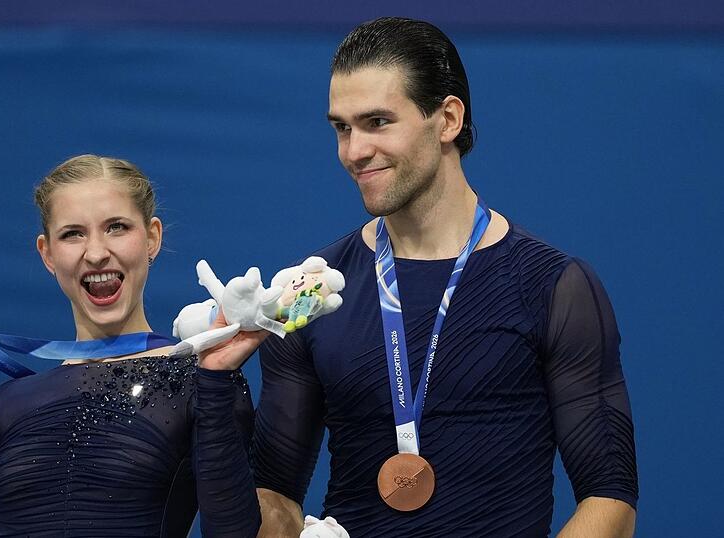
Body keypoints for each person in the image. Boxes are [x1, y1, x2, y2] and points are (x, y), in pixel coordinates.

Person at [253, 17, 638, 537]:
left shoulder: (553, 286)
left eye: (377, 122)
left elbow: (609, 498)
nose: (353, 151)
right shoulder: (312, 293)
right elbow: (273, 495)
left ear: (448, 119)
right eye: (342, 128)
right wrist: (215, 390)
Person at [0, 155, 263, 537]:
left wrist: (215, 382)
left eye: (117, 227)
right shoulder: (8, 405)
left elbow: (232, 531)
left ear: (152, 238)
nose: (95, 252)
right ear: (48, 254)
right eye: (73, 234)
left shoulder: (199, 380)